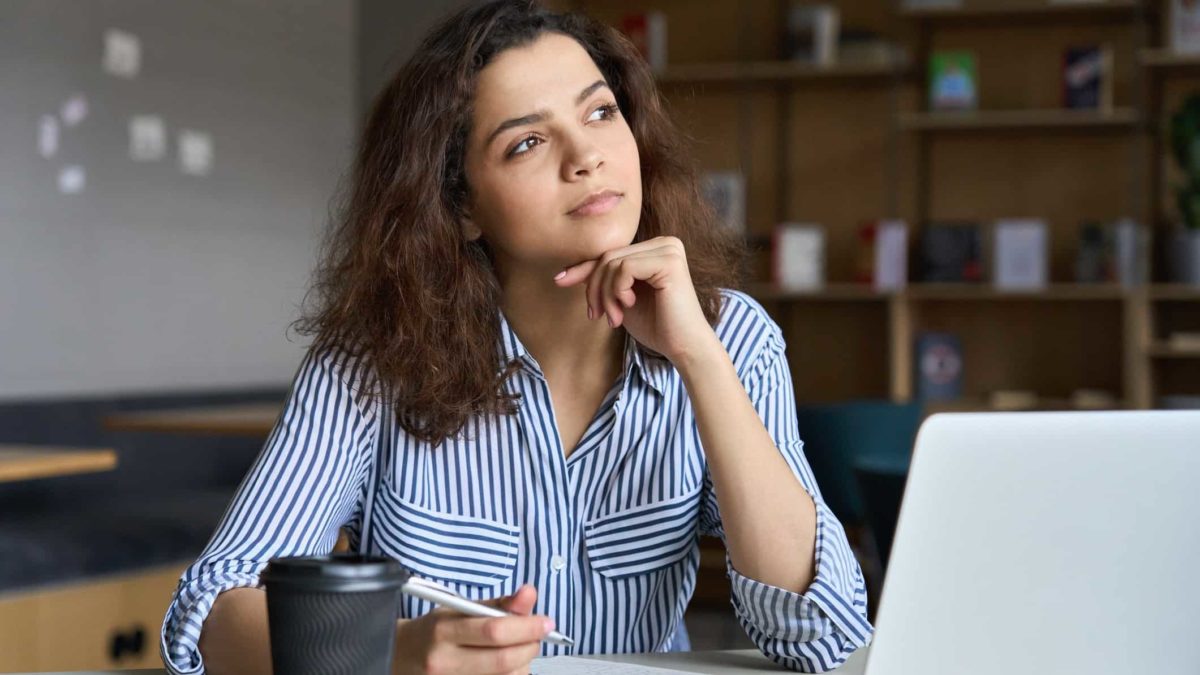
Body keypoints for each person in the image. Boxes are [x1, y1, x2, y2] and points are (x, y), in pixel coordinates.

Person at [159, 2, 872, 673]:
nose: (585, 156)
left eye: (600, 112)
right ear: (462, 205)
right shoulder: (372, 362)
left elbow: (824, 638)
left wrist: (699, 357)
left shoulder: (730, 338)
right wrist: (390, 655)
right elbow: (211, 613)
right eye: (527, 141)